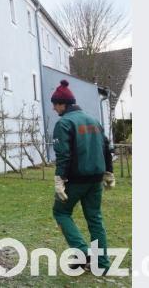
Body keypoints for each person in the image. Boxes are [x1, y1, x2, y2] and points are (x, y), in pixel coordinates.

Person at [51, 80, 115, 274]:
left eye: (55, 104)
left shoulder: (64, 123)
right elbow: (106, 148)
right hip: (96, 179)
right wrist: (109, 172)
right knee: (95, 219)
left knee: (61, 212)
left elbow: (63, 154)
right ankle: (102, 264)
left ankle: (82, 253)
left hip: (77, 180)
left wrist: (59, 179)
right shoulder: (93, 120)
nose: (54, 108)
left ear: (64, 104)